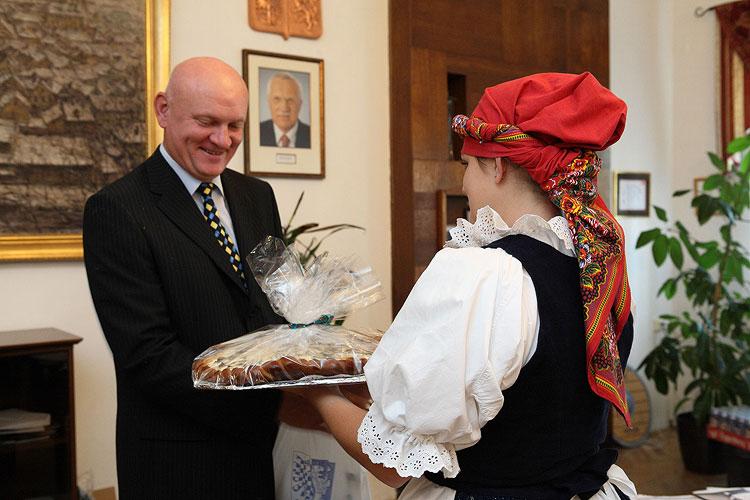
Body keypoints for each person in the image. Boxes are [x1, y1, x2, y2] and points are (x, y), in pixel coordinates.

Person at [288, 72, 637, 499]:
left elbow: (393, 462)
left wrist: (317, 396)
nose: (464, 183)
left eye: (468, 165)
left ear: (499, 164)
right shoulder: (597, 267)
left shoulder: (486, 275)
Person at [83, 57, 285, 500]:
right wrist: (269, 406)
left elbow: (278, 302)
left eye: (235, 126)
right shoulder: (116, 210)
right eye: (207, 122)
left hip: (258, 454)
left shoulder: (257, 196)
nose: (222, 140)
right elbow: (149, 355)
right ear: (163, 110)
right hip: (177, 463)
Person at [259, 71, 311, 148]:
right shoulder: (257, 132)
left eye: (290, 100)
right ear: (269, 102)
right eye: (277, 99)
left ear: (300, 105)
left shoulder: (312, 135)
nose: (284, 108)